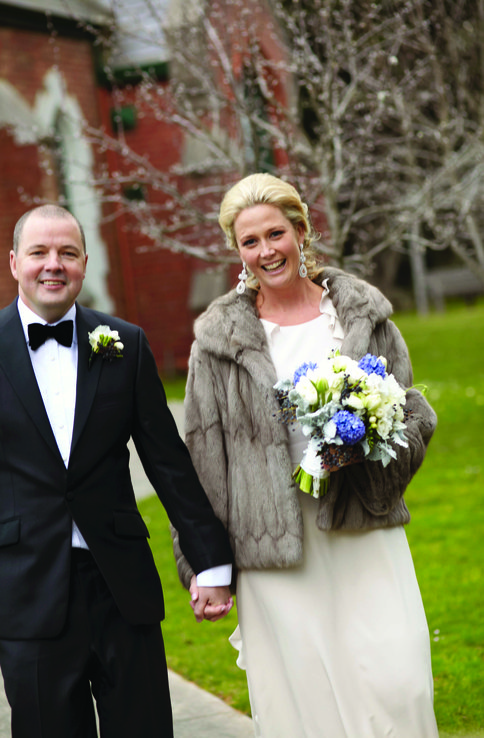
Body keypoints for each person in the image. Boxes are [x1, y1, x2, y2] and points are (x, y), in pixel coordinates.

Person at [173, 173, 440, 737]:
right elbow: (203, 457)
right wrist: (204, 564)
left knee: (398, 683)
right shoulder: (218, 342)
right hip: (273, 548)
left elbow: (412, 413)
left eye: (276, 233)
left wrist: (365, 444)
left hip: (362, 526)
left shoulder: (361, 315)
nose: (267, 251)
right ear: (238, 251)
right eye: (251, 241)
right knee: (304, 707)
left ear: (301, 231)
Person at [0, 204, 234, 738]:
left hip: (121, 587)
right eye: (39, 252)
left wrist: (210, 563)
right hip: (26, 593)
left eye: (66, 253)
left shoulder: (124, 344)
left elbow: (168, 460)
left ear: (84, 263)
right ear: (15, 263)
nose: (52, 264)